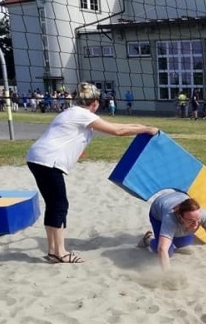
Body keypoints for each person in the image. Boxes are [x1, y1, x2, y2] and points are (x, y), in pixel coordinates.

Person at [26, 82, 159, 264]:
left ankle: (53, 251)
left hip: (38, 158)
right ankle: (59, 252)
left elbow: (117, 125)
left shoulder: (71, 112)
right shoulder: (82, 114)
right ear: (95, 103)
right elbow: (117, 131)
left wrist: (143, 126)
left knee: (54, 204)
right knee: (59, 205)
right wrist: (146, 130)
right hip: (48, 161)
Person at [137, 190, 206, 271]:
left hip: (178, 196)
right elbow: (162, 249)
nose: (195, 224)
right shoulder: (170, 218)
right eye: (190, 220)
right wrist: (168, 275)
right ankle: (148, 239)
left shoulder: (202, 215)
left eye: (198, 219)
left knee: (184, 243)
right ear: (180, 217)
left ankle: (173, 238)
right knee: (167, 251)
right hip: (158, 210)